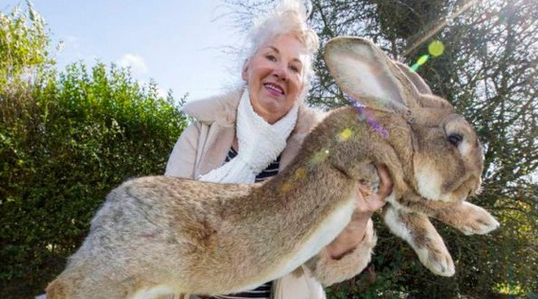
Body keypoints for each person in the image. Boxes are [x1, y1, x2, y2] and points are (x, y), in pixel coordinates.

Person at [164, 1, 415, 298]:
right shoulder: (200, 135)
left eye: (294, 68)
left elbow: (327, 265)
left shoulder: (326, 150)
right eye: (271, 56)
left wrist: (358, 218)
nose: (280, 72)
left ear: (302, 88)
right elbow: (166, 227)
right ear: (247, 68)